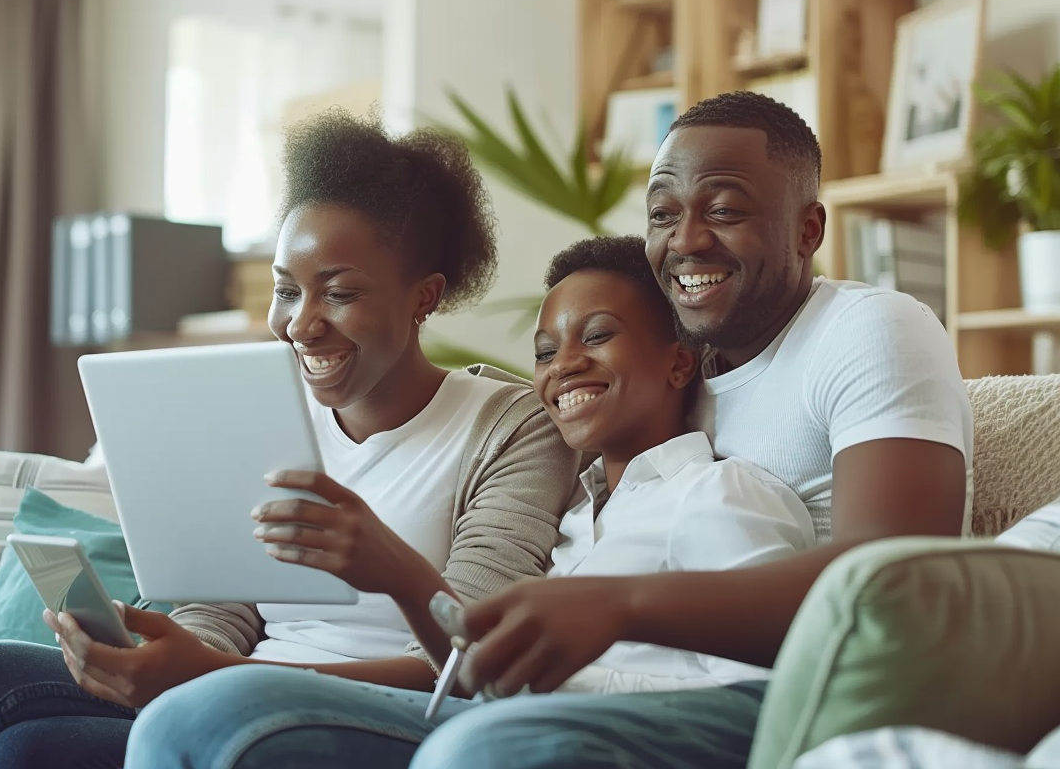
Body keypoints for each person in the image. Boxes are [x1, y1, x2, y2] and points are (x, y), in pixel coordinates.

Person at [122, 90, 974, 769]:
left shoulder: (867, 331)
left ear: (809, 228)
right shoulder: (663, 414)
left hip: (807, 693)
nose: (685, 240)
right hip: (568, 693)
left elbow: (896, 585)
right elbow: (481, 647)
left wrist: (616, 607)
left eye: (724, 208)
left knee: (476, 745)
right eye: (664, 212)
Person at [0, 109, 583, 769]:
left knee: (25, 752)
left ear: (424, 297)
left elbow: (469, 662)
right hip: (222, 697)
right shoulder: (271, 412)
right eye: (286, 290)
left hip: (370, 717)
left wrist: (212, 674)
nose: (301, 324)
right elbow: (224, 607)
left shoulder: (511, 427)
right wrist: (157, 659)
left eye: (338, 293)